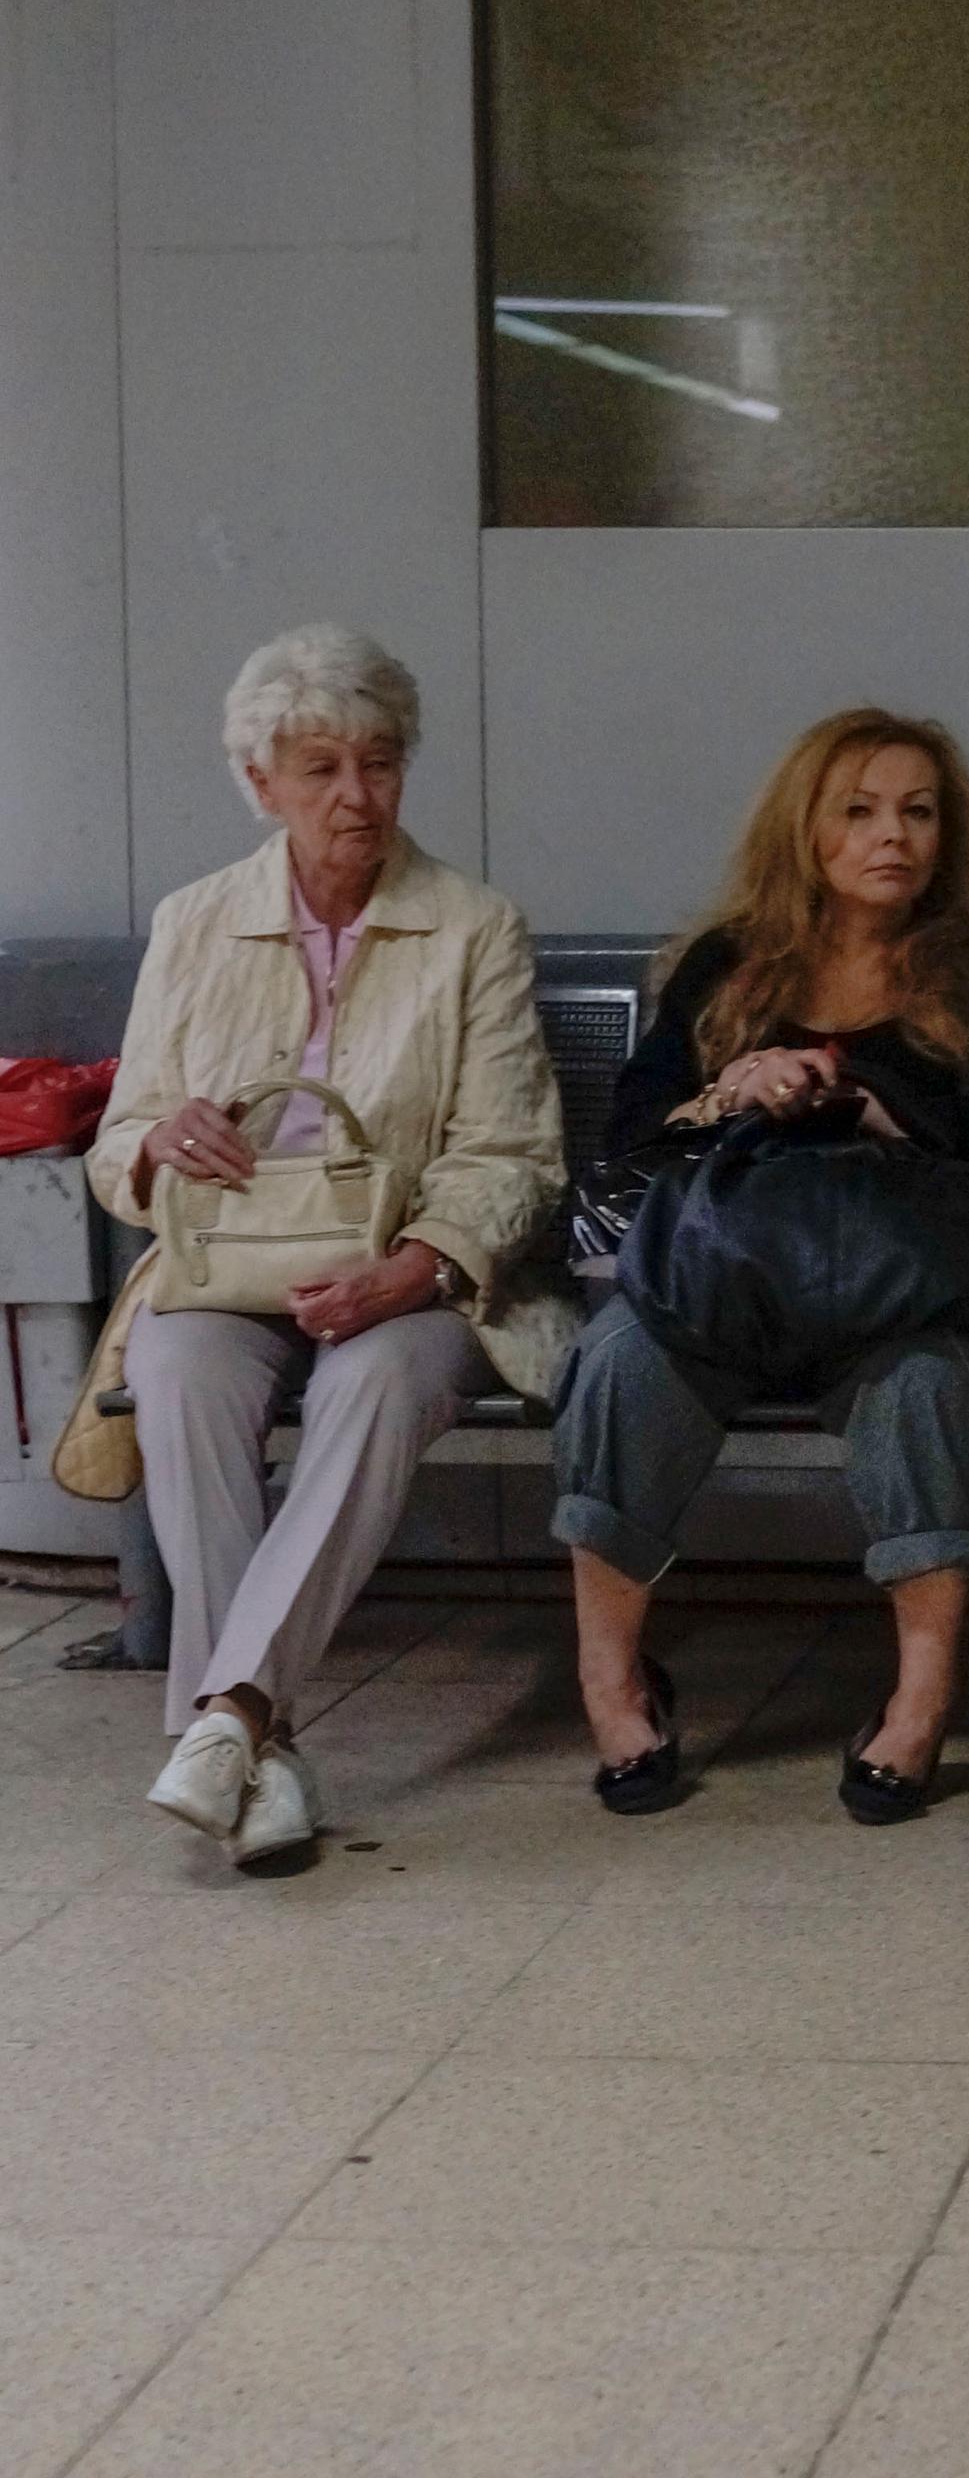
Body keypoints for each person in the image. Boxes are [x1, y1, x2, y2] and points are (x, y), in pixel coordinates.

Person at [90, 625, 574, 1866]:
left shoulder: (472, 926)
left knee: (375, 1380)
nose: (356, 796)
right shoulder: (194, 923)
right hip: (226, 1268)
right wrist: (158, 1143)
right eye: (320, 769)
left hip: (419, 1278)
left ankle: (228, 1714)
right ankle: (264, 1742)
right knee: (182, 1373)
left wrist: (411, 1267)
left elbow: (513, 1152)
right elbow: (118, 1139)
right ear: (261, 784)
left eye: (379, 762)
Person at [554, 708, 969, 1824]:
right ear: (808, 830)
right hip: (723, 1278)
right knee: (621, 1362)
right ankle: (615, 1684)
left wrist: (879, 1105)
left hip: (907, 1287)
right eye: (863, 811)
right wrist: (736, 1085)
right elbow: (630, 1141)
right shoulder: (728, 966)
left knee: (933, 1388)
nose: (895, 837)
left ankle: (918, 1705)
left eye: (919, 813)